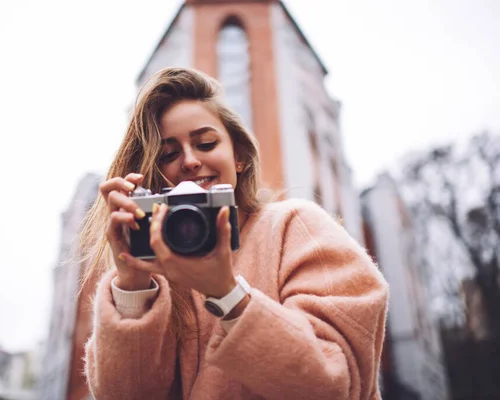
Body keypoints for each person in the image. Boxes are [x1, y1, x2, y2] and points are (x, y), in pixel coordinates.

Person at [79, 67, 389, 400]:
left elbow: (333, 385)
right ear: (154, 171)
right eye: (168, 154)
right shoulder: (153, 270)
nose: (190, 161)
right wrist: (133, 285)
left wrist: (225, 293)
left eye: (206, 143)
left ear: (238, 156)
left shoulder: (297, 227)